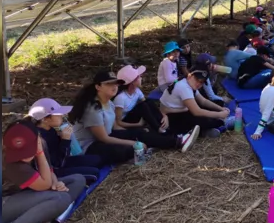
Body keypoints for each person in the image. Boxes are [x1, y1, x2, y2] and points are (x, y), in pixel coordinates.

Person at [69, 71, 198, 166]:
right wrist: (132, 142)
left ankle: (177, 141)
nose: (114, 86)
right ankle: (165, 142)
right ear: (98, 87)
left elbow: (115, 127)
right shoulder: (93, 108)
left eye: (116, 83)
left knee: (140, 134)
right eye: (109, 84)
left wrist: (134, 133)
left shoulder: (109, 102)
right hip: (90, 146)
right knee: (127, 150)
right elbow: (103, 138)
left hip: (106, 137)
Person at [2, 121, 86, 223]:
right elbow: (43, 185)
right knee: (61, 198)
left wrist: (56, 183)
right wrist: (39, 153)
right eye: (19, 152)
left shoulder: (42, 143)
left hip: (29, 195)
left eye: (28, 149)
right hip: (4, 204)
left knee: (78, 180)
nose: (23, 155)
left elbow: (50, 172)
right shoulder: (11, 163)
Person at [28, 98, 103, 181]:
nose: (62, 116)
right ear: (45, 119)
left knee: (97, 160)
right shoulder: (41, 139)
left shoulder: (51, 129)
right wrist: (65, 140)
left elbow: (64, 156)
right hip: (54, 171)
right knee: (94, 173)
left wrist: (62, 138)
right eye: (58, 114)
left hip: (63, 162)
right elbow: (58, 164)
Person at [159, 68, 230, 138]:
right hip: (172, 117)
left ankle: (205, 129)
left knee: (217, 103)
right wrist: (219, 114)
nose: (199, 84)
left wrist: (220, 109)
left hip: (181, 110)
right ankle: (214, 127)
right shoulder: (184, 87)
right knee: (206, 120)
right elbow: (196, 112)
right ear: (190, 75)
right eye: (197, 80)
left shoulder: (187, 82)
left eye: (201, 82)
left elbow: (203, 101)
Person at [114, 65, 169, 133]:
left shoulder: (137, 91)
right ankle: (158, 128)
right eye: (139, 77)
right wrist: (137, 125)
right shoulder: (121, 98)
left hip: (134, 117)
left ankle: (162, 124)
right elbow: (119, 122)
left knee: (149, 102)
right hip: (126, 122)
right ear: (132, 82)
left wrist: (164, 116)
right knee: (142, 106)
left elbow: (148, 105)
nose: (141, 78)